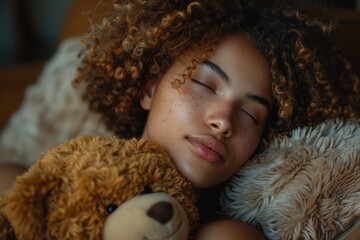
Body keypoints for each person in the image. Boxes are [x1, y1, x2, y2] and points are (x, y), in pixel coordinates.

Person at [1, 0, 359, 238]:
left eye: (251, 112)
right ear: (148, 90)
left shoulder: (225, 234)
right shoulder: (35, 181)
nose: (223, 121)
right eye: (204, 84)